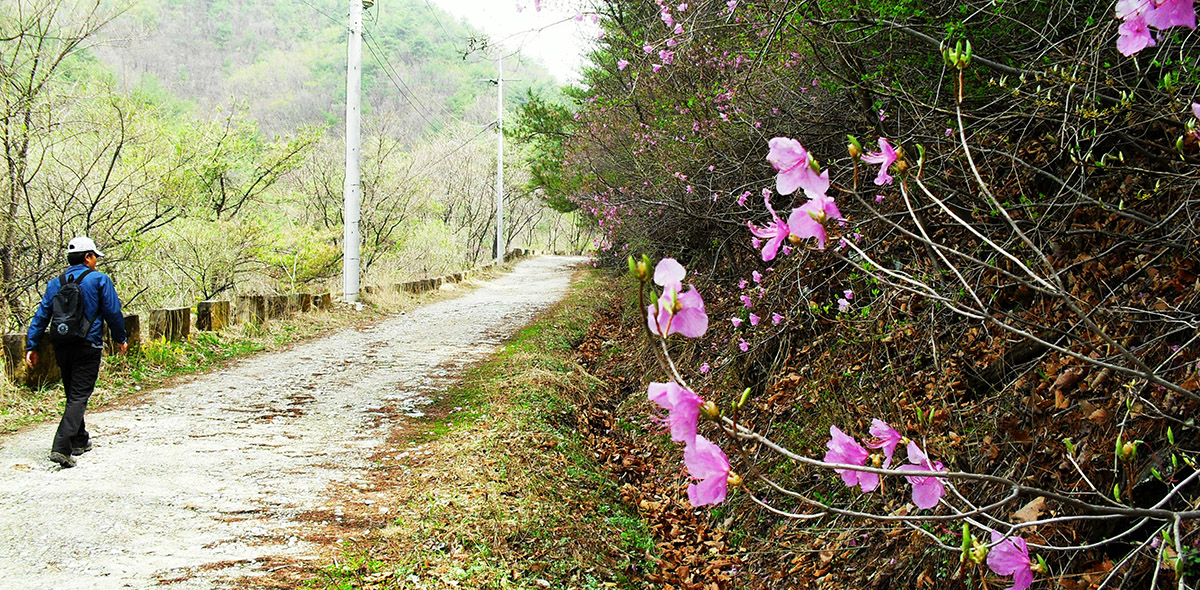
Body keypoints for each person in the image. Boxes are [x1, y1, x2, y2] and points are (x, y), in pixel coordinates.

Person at [25, 236, 128, 469]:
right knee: (80, 395)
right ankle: (61, 447)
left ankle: (80, 440)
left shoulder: (55, 283)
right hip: (88, 344)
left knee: (73, 391)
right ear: (87, 257)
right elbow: (113, 311)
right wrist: (120, 337)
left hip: (61, 344)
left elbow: (41, 315)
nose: (96, 262)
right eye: (94, 257)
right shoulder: (99, 280)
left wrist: (32, 345)